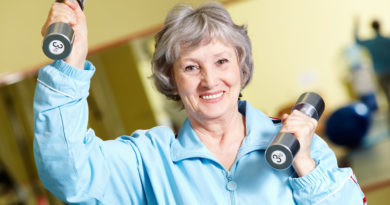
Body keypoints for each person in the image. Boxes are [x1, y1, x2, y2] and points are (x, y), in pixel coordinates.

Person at [34, 1, 367, 204]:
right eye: (191, 67)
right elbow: (67, 174)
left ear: (241, 65)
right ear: (172, 80)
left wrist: (306, 166)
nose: (210, 81)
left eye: (221, 62)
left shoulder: (298, 146)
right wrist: (70, 64)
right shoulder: (148, 159)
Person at [355, 20, 390, 124]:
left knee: (386, 96)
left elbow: (357, 41)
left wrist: (356, 25)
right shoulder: (386, 40)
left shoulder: (371, 43)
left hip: (380, 73)